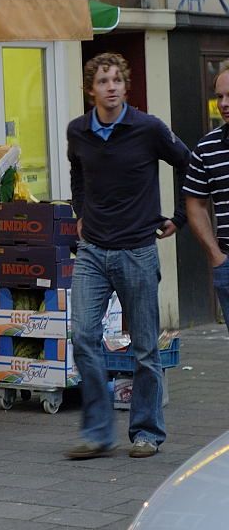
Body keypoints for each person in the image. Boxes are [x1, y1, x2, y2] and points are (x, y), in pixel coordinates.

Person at [66, 52, 190, 460]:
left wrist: (181, 217)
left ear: (125, 85)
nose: (112, 87)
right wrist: (79, 211)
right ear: (91, 90)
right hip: (92, 251)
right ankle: (99, 432)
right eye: (103, 81)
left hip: (137, 250)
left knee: (143, 348)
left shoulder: (148, 128)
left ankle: (146, 432)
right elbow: (77, 173)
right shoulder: (78, 131)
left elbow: (190, 165)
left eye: (117, 80)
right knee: (83, 334)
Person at [184, 68, 229, 333]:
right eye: (219, 96)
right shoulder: (207, 148)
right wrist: (216, 256)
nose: (223, 104)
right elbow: (195, 204)